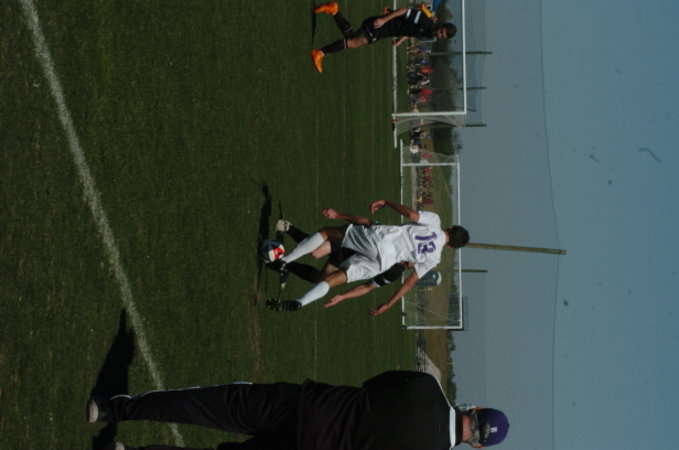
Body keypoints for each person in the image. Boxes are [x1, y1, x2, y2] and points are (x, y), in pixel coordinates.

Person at [87, 370, 509, 450]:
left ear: (476, 408)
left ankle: (110, 410)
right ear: (477, 446)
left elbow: (373, 385)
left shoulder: (426, 386)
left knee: (209, 405)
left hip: (306, 407)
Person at [271, 199, 469, 314]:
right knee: (330, 281)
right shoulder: (435, 258)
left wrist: (387, 202)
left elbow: (412, 215)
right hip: (384, 262)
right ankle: (299, 303)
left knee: (328, 233)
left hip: (381, 240)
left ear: (451, 227)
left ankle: (284, 261)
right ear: (450, 247)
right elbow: (410, 282)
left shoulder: (435, 221)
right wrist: (388, 304)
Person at [271, 217, 408, 311]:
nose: (409, 264)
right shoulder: (398, 240)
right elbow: (368, 223)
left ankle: (285, 264)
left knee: (319, 280)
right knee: (315, 251)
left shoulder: (396, 271)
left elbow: (368, 286)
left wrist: (344, 296)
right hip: (350, 243)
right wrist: (339, 215)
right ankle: (287, 228)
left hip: (346, 260)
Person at [310, 3, 457, 73]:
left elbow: (412, 32)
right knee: (354, 43)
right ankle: (320, 53)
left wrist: (400, 41)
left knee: (351, 38)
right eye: (441, 31)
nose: (439, 34)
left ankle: (334, 10)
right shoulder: (426, 21)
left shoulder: (429, 33)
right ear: (441, 25)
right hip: (384, 25)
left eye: (442, 36)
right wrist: (384, 19)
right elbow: (404, 11)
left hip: (387, 31)